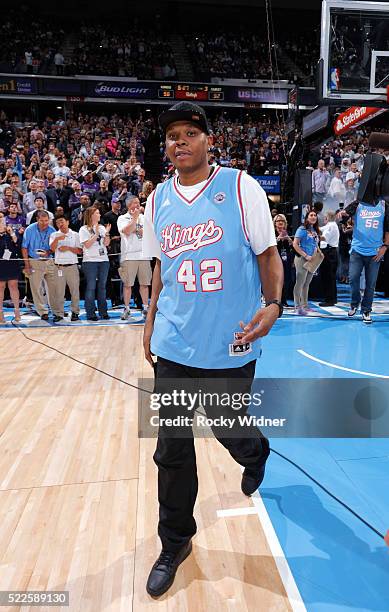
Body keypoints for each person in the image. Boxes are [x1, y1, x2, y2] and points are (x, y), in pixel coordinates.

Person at [142, 102, 283, 597]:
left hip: (231, 340)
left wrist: (273, 305)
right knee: (172, 450)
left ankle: (255, 450)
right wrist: (151, 317)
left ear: (208, 140)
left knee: (227, 425)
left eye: (188, 133)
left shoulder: (241, 188)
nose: (178, 142)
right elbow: (161, 264)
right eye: (171, 136)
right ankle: (175, 540)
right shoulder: (157, 199)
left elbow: (267, 254)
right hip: (175, 345)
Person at [338, 200, 389, 323]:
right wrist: (341, 215)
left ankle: (366, 310)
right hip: (357, 250)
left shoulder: (384, 205)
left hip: (375, 252)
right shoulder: (358, 203)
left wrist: (385, 246)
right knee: (353, 278)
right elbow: (344, 215)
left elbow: (388, 229)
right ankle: (355, 303)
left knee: (370, 284)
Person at [21, 210, 62, 322]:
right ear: (37, 220)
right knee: (36, 289)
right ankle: (42, 312)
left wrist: (48, 252)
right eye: (42, 221)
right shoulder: (30, 229)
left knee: (53, 288)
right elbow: (24, 248)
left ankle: (56, 312)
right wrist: (27, 265)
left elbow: (54, 248)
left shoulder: (52, 230)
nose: (44, 223)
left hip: (49, 261)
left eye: (46, 220)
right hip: (34, 260)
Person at [117, 196, 152, 320]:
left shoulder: (145, 218)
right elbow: (126, 231)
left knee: (145, 284)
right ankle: (127, 309)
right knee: (127, 284)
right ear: (129, 205)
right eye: (135, 203)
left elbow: (146, 233)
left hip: (144, 254)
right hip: (129, 256)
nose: (138, 205)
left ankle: (146, 308)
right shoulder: (122, 218)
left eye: (138, 203)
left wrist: (135, 226)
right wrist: (135, 219)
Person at [79, 206, 111, 321]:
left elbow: (106, 244)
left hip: (103, 260)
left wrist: (106, 233)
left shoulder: (102, 227)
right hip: (90, 261)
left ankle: (103, 312)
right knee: (91, 287)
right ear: (91, 215)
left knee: (102, 287)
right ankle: (91, 313)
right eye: (97, 213)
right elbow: (87, 245)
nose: (100, 215)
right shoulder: (83, 229)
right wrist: (96, 234)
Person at [50, 214, 82, 321]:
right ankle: (59, 313)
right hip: (59, 267)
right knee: (59, 291)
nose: (60, 224)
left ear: (67, 222)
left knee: (74, 291)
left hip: (72, 266)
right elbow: (52, 249)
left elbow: (80, 251)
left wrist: (68, 248)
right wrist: (57, 239)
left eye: (62, 221)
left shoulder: (75, 234)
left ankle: (75, 312)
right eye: (58, 222)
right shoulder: (54, 234)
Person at [292, 209, 321, 315]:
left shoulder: (314, 230)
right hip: (301, 259)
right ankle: (297, 306)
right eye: (311, 215)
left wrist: (316, 254)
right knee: (300, 282)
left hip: (312, 260)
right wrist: (305, 255)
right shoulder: (302, 229)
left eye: (315, 215)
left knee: (307, 283)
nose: (313, 217)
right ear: (307, 217)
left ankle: (305, 305)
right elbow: (295, 244)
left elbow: (314, 244)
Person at [0, 214, 22, 323]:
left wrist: (12, 233)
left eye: (2, 220)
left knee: (13, 286)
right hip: (0, 264)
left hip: (12, 262)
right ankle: (0, 313)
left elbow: (18, 243)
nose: (1, 222)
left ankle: (17, 312)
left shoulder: (11, 233)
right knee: (1, 287)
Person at [318, 210, 340, 306]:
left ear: (327, 218)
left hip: (329, 253)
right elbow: (321, 229)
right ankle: (332, 298)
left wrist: (315, 236)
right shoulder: (332, 225)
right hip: (332, 252)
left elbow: (324, 238)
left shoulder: (331, 226)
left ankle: (329, 300)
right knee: (331, 277)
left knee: (328, 276)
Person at [273, 213, 293, 306]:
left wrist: (289, 240)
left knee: (286, 279)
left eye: (282, 221)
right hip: (275, 259)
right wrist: (278, 239)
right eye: (278, 221)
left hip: (286, 259)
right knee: (277, 280)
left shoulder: (287, 232)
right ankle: (276, 300)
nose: (280, 222)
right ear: (275, 223)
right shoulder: (272, 232)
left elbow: (293, 246)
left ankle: (284, 300)